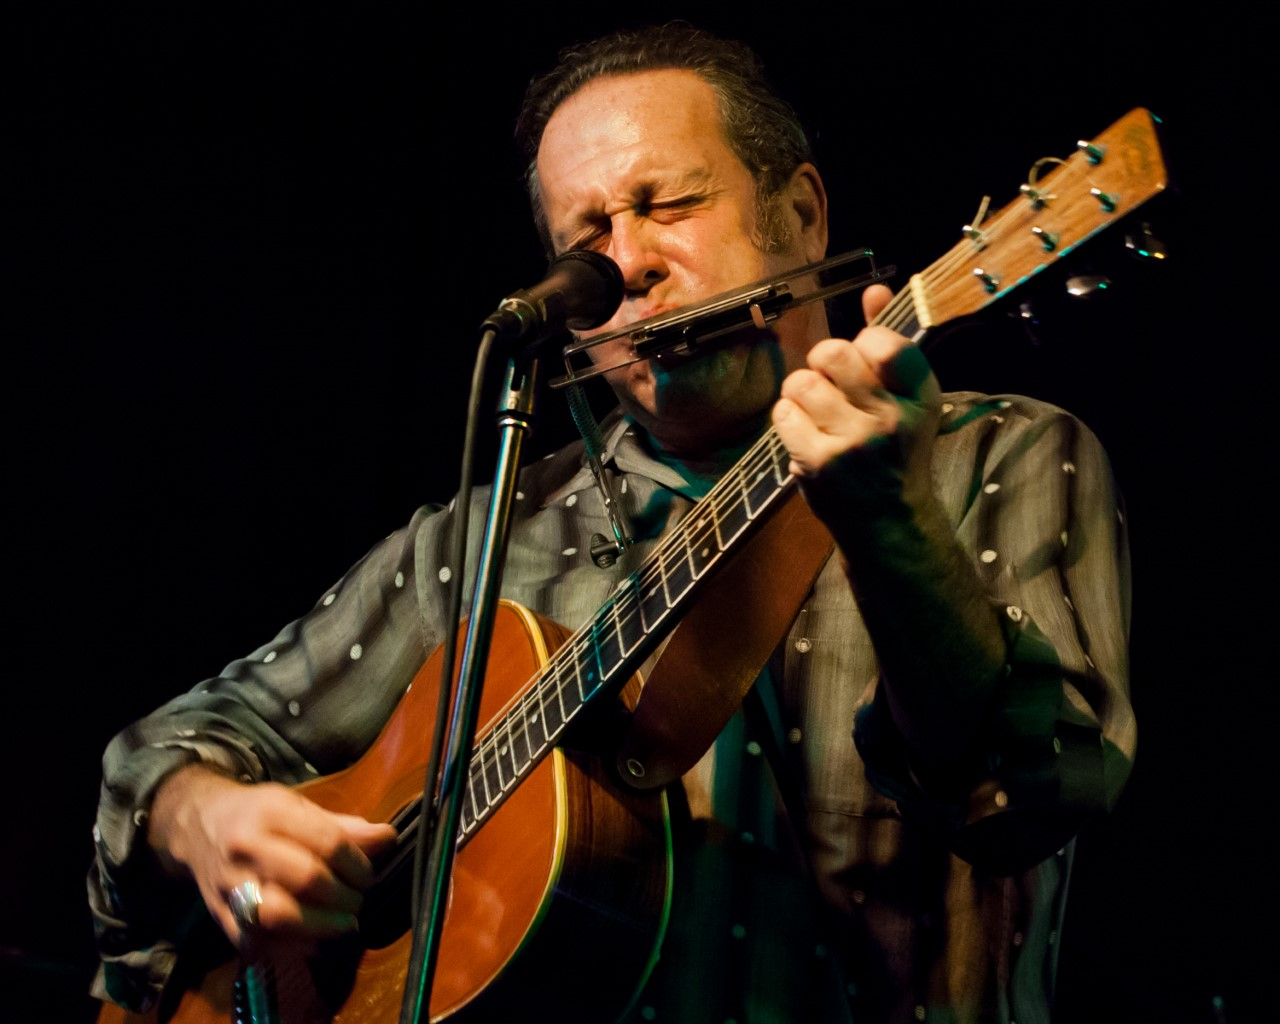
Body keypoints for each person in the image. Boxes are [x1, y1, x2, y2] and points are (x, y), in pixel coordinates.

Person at [88, 21, 1135, 1024]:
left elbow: (1032, 796)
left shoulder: (993, 455)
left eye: (667, 202)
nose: (625, 264)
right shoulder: (488, 531)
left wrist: (892, 526)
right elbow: (159, 751)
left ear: (803, 215)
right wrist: (207, 818)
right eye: (583, 241)